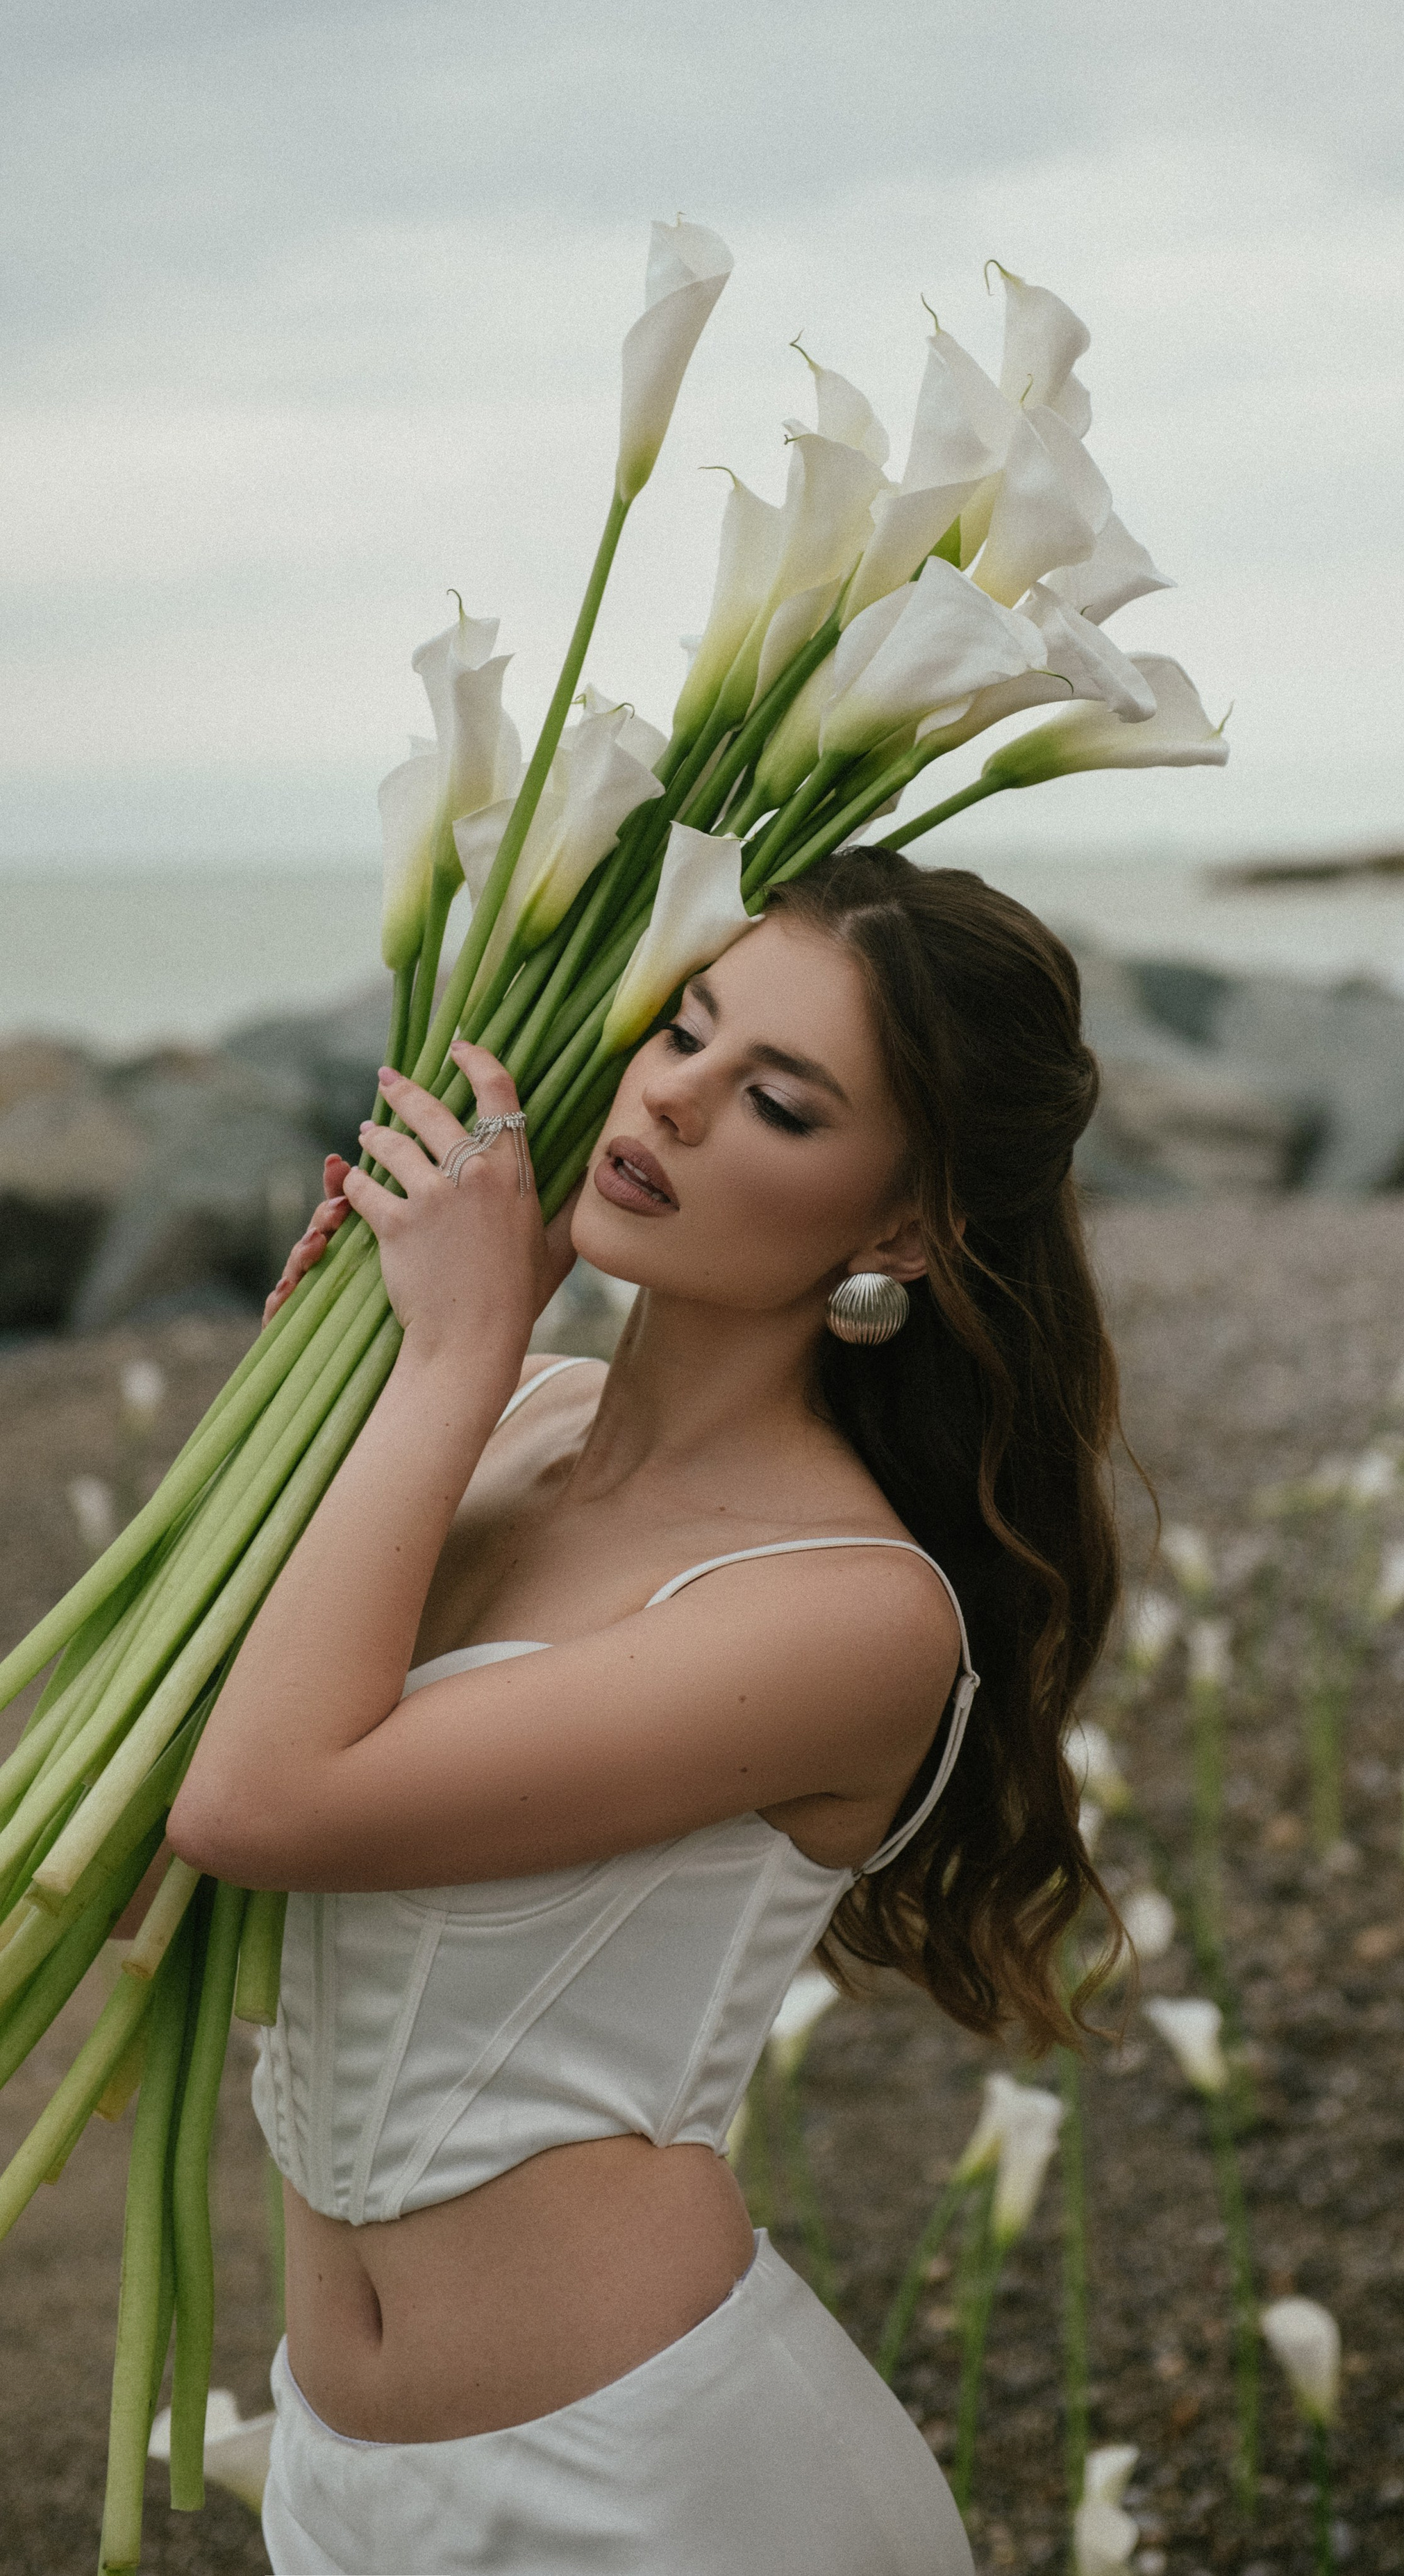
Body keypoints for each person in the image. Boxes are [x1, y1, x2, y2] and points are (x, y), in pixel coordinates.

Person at [170, 845, 1123, 2576]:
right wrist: (361, 1370)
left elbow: (255, 1804)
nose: (671, 1098)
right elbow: (187, 1736)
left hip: (656, 2489)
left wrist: (447, 1355)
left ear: (899, 1226)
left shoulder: (851, 1610)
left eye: (775, 1099)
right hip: (334, 2476)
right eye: (682, 1026)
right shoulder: (515, 1416)